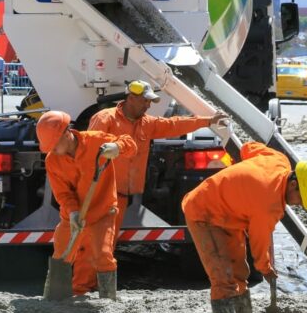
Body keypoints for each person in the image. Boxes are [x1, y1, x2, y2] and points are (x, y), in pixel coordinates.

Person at [70, 80, 227, 295]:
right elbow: (90, 153)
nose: (148, 106)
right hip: (100, 192)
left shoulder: (146, 123)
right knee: (91, 242)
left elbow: (175, 124)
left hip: (121, 195)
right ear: (131, 98)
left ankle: (92, 285)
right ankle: (80, 288)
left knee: (106, 241)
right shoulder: (104, 119)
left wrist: (207, 121)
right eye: (145, 101)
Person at [181, 144, 307, 313]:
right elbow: (259, 243)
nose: (299, 205)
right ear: (294, 184)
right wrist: (266, 268)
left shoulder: (279, 160)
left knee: (239, 271)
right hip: (204, 212)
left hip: (230, 214)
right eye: (300, 199)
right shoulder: (268, 205)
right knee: (222, 275)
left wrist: (242, 181)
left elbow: (248, 148)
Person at [36, 110, 137, 300]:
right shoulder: (52, 160)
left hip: (102, 212)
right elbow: (63, 193)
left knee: (103, 255)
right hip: (72, 216)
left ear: (67, 133)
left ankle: (108, 300)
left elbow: (130, 145)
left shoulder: (96, 142)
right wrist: (73, 213)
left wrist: (118, 146)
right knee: (62, 255)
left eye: (55, 144)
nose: (53, 149)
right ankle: (54, 298)